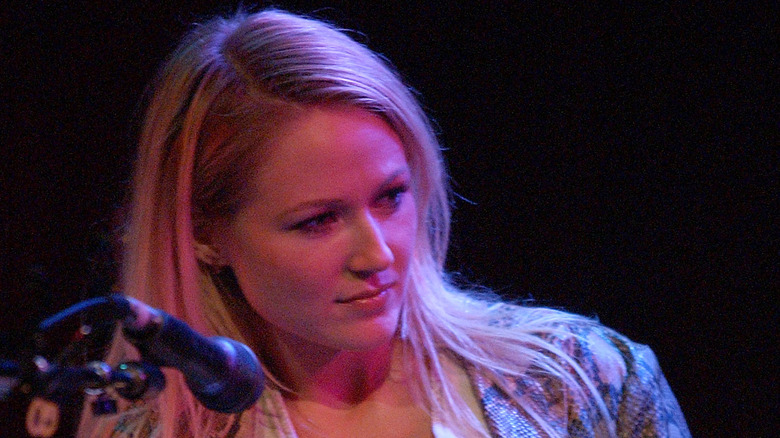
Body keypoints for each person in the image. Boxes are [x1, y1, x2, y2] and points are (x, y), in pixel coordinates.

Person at [77, 8, 690, 438]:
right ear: (206, 237)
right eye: (318, 221)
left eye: (391, 196)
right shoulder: (142, 430)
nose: (378, 254)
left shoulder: (584, 379)